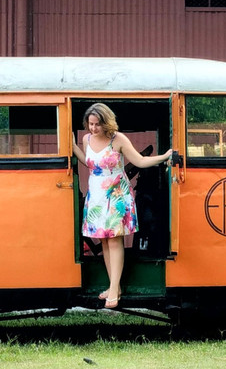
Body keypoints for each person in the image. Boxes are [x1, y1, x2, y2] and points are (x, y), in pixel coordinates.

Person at [73, 103, 173, 308]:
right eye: (90, 124)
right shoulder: (86, 139)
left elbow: (140, 160)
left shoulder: (118, 139)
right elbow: (91, 163)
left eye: (97, 124)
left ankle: (114, 289)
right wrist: (74, 148)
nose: (92, 128)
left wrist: (165, 156)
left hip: (117, 195)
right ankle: (113, 287)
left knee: (115, 241)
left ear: (106, 122)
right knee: (103, 240)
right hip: (97, 195)